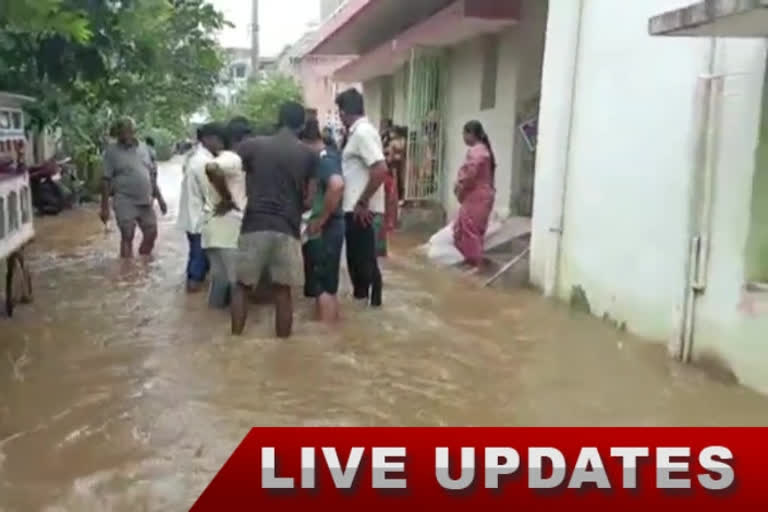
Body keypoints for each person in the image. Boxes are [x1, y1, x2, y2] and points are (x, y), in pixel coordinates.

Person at [231, 102, 318, 338]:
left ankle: (235, 340)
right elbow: (310, 201)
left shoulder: (251, 146)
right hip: (287, 228)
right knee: (283, 292)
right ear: (301, 125)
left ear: (278, 119)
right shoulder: (309, 155)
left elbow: (229, 170)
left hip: (254, 225)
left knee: (242, 287)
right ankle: (283, 347)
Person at [335, 88, 387, 307]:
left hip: (360, 211)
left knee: (363, 265)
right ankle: (366, 313)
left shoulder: (363, 132)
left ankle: (368, 310)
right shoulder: (358, 133)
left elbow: (380, 168)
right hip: (355, 209)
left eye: (339, 111)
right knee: (361, 263)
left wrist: (363, 202)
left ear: (345, 111)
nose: (339, 116)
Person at [101, 118, 168, 258]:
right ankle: (126, 273)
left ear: (134, 131)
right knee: (127, 234)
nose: (125, 135)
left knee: (151, 233)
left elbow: (151, 175)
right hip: (124, 199)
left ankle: (142, 264)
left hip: (145, 199)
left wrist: (160, 199)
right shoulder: (111, 152)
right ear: (117, 134)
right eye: (121, 132)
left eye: (128, 131)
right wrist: (105, 207)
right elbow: (106, 180)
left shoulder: (144, 148)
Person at [299, 120, 345, 323]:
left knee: (322, 287)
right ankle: (327, 337)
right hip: (329, 228)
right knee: (326, 286)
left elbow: (336, 186)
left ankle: (325, 338)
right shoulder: (329, 155)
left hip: (325, 230)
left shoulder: (322, 158)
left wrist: (321, 219)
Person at [202, 123, 247, 310]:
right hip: (229, 229)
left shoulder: (223, 157)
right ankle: (234, 334)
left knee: (219, 281)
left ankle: (213, 327)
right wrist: (228, 199)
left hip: (212, 228)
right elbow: (212, 168)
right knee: (237, 282)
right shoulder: (232, 157)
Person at [177, 123, 225, 292]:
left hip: (195, 218)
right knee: (197, 265)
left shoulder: (195, 158)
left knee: (198, 260)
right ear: (207, 139)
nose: (222, 144)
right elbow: (212, 195)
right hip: (200, 221)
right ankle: (192, 294)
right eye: (219, 140)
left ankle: (193, 302)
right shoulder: (203, 163)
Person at [453, 120, 496, 269]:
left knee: (470, 231)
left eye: (464, 133)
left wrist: (460, 184)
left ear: (471, 134)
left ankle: (477, 265)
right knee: (462, 229)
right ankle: (472, 261)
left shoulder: (478, 151)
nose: (463, 137)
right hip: (477, 196)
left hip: (477, 196)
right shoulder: (482, 150)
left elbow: (470, 172)